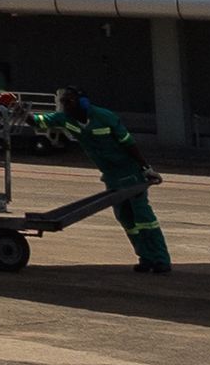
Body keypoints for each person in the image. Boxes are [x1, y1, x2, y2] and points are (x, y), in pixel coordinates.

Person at [34, 88, 173, 273]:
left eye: (69, 101)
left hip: (130, 174)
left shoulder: (105, 117)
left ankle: (161, 260)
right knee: (126, 219)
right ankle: (146, 258)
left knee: (144, 218)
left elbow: (129, 144)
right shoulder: (66, 119)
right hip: (111, 177)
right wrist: (16, 108)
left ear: (82, 102)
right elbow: (39, 122)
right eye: (63, 102)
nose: (65, 106)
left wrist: (146, 169)